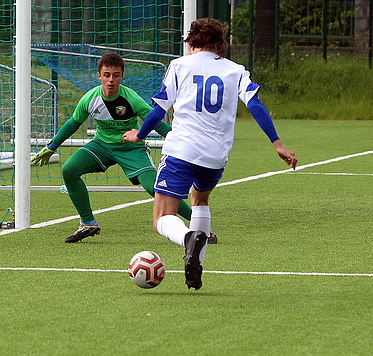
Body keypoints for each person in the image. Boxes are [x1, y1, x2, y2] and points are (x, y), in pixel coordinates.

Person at [122, 18, 298, 290]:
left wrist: (139, 134)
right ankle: (196, 268)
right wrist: (277, 144)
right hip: (215, 156)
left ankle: (188, 239)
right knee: (200, 200)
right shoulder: (236, 70)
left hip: (182, 151)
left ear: (191, 42)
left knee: (161, 219)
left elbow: (159, 109)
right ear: (220, 44)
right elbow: (255, 105)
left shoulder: (179, 66)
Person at [30, 53, 219, 244]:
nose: (111, 80)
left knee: (155, 187)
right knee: (69, 169)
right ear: (99, 75)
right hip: (101, 146)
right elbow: (73, 123)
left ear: (122, 76)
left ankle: (200, 228)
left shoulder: (132, 99)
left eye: (116, 75)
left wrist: (183, 143)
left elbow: (157, 123)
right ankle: (88, 223)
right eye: (106, 75)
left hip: (131, 148)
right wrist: (51, 146)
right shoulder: (90, 98)